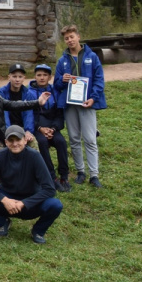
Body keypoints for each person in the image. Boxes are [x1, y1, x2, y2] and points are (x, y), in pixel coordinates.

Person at [0, 125, 63, 244]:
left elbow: (50, 189)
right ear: (6, 142)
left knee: (55, 205)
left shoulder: (35, 156)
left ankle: (38, 231)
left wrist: (25, 203)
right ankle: (2, 222)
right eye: (11, 140)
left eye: (18, 140)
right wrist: (4, 200)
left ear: (24, 140)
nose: (15, 144)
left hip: (30, 203)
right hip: (6, 201)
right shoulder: (0, 156)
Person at [53, 24, 106, 188]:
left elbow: (99, 79)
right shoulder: (62, 61)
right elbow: (56, 83)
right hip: (70, 104)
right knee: (74, 139)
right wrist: (62, 80)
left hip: (87, 103)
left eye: (71, 37)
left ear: (78, 36)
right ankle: (81, 171)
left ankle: (94, 175)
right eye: (66, 38)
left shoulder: (92, 57)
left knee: (90, 139)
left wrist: (93, 98)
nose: (69, 40)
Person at [29, 64, 70, 192]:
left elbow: (59, 114)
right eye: (39, 75)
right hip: (38, 128)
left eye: (45, 75)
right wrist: (40, 128)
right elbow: (29, 115)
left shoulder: (55, 92)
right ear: (35, 76)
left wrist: (53, 128)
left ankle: (64, 176)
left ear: (50, 77)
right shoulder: (29, 93)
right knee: (42, 142)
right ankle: (51, 177)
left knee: (61, 142)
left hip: (52, 127)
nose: (42, 78)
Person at [0, 64, 38, 143]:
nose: (17, 79)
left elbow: (29, 114)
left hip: (22, 127)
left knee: (33, 143)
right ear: (9, 77)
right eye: (14, 76)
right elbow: (3, 114)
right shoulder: (1, 93)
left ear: (24, 78)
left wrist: (28, 131)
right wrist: (8, 131)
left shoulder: (28, 94)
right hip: (7, 128)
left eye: (20, 77)